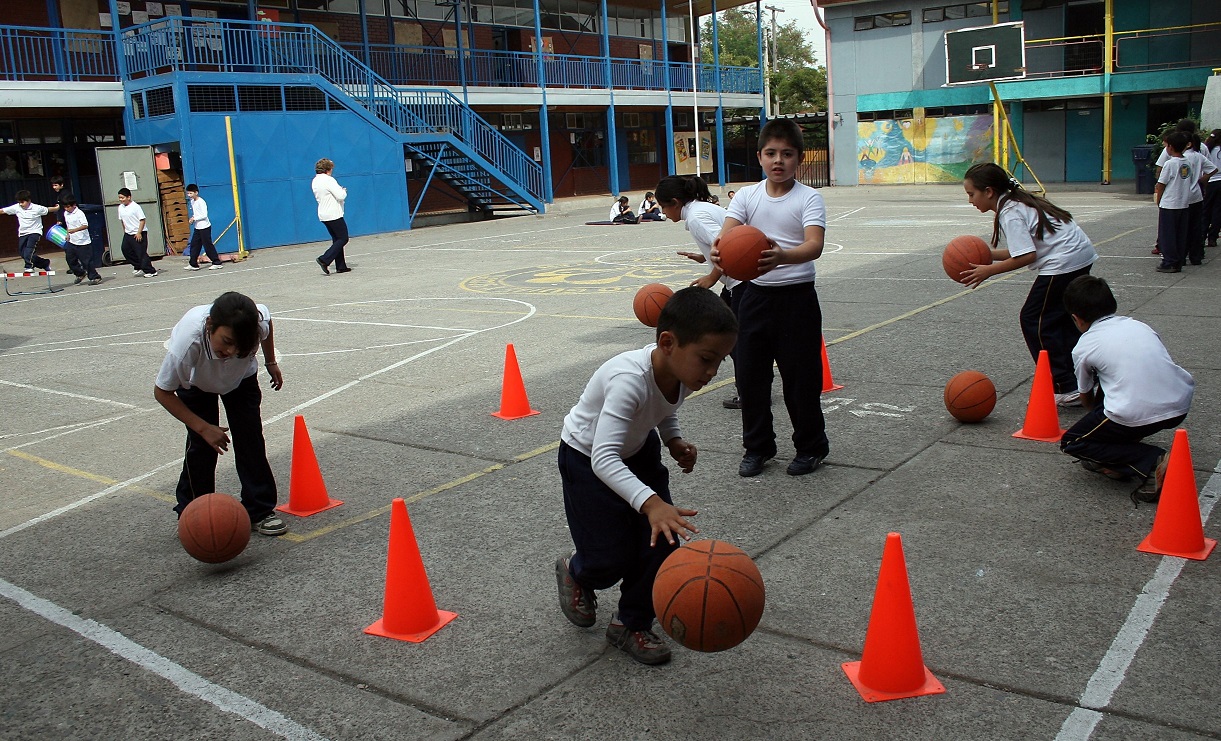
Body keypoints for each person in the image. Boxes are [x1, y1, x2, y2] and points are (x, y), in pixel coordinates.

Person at [554, 287, 737, 666]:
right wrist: (651, 502)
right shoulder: (628, 379)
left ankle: (630, 622)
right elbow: (604, 458)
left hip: (638, 453)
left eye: (719, 362)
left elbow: (664, 405)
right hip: (586, 459)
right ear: (667, 342)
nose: (712, 372)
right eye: (707, 359)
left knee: (662, 545)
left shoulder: (683, 371)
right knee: (609, 557)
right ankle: (578, 570)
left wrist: (673, 439)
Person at [711, 118, 829, 478]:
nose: (779, 160)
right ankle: (758, 447)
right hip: (754, 298)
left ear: (799, 159)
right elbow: (727, 236)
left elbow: (814, 245)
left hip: (796, 300)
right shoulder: (747, 196)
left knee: (800, 379)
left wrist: (782, 256)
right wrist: (719, 252)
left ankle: (810, 447)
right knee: (750, 377)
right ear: (760, 157)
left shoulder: (809, 197)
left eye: (787, 154)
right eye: (771, 153)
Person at [961, 162, 1097, 406]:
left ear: (989, 191)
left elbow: (1026, 257)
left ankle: (1065, 386)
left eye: (972, 194)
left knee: (1034, 319)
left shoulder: (1010, 211)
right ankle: (1085, 378)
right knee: (1062, 321)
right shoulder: (1016, 201)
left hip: (1064, 261)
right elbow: (1023, 250)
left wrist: (989, 271)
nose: (970, 200)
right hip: (1078, 255)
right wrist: (986, 254)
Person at [154, 291, 288, 536]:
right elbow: (162, 392)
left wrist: (270, 362)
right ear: (209, 326)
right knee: (202, 446)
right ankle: (194, 509)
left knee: (250, 440)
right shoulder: (188, 342)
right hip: (196, 383)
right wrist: (204, 428)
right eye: (226, 341)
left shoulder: (254, 321)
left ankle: (259, 509)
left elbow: (267, 323)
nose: (232, 350)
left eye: (240, 345)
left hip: (240, 380)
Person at [1059, 276, 1193, 504]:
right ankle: (1119, 461)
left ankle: (1152, 459)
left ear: (1076, 319)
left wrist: (1095, 419)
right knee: (1112, 386)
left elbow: (1085, 393)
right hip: (1179, 404)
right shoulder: (1139, 326)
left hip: (1134, 412)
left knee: (1073, 442)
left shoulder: (1084, 346)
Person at [658, 174, 742, 410]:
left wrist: (711, 278)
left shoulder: (696, 218)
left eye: (664, 207)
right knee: (735, 337)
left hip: (740, 282)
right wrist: (703, 256)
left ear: (675, 202)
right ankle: (751, 386)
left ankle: (751, 390)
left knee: (735, 341)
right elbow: (719, 243)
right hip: (737, 282)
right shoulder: (702, 208)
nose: (664, 214)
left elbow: (729, 247)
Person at [1154, 132, 1194, 274]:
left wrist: (1159, 200)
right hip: (1183, 203)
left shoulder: (1170, 164)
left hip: (1169, 204)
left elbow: (1161, 184)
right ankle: (1179, 260)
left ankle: (1169, 261)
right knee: (1180, 234)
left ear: (1170, 147)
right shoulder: (1187, 162)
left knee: (1167, 235)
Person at [313, 158, 350, 274]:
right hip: (333, 213)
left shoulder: (315, 180)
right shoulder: (328, 180)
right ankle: (325, 259)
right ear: (328, 169)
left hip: (323, 213)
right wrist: (343, 190)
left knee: (336, 239)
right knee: (343, 238)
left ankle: (341, 265)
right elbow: (340, 196)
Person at [2, 190, 56, 271]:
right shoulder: (17, 207)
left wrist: (57, 208)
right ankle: (44, 263)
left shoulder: (37, 208)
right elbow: (3, 210)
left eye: (22, 202)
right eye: (19, 202)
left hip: (35, 232)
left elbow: (48, 210)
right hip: (23, 233)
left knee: (29, 250)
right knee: (23, 253)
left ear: (29, 200)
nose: (21, 204)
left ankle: (29, 266)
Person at [117, 187, 158, 277]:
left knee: (141, 252)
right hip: (128, 233)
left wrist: (139, 232)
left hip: (139, 232)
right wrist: (125, 232)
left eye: (123, 197)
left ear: (129, 197)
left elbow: (142, 220)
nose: (121, 200)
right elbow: (122, 221)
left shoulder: (135, 207)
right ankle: (138, 266)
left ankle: (150, 271)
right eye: (120, 198)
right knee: (125, 250)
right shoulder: (120, 207)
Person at [61, 198, 102, 285]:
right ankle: (80, 273)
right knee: (70, 259)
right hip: (72, 240)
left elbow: (85, 225)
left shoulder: (79, 213)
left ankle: (95, 277)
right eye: (65, 207)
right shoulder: (66, 213)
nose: (66, 209)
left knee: (86, 261)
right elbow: (68, 225)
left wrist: (75, 230)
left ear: (74, 205)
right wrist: (68, 234)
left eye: (68, 207)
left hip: (83, 241)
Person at [184, 184, 223, 271]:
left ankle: (216, 262)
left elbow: (204, 215)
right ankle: (193, 263)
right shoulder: (192, 201)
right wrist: (193, 218)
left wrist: (194, 218)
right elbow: (196, 213)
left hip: (205, 227)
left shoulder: (201, 202)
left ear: (196, 192)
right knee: (194, 245)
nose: (189, 195)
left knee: (207, 245)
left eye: (191, 193)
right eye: (188, 193)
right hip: (197, 227)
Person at [1203, 129, 1221, 250]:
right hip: (1220, 182)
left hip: (1209, 182)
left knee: (1205, 211)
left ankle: (1202, 234)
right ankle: (1213, 237)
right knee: (1218, 211)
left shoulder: (1207, 149)